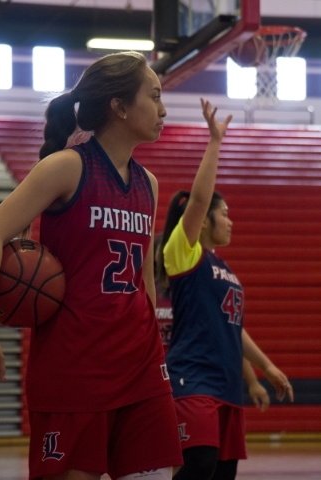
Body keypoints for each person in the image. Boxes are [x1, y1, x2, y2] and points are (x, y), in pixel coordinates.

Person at [0, 51, 183, 480]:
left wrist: (157, 340)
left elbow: (142, 279)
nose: (163, 109)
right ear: (119, 106)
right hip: (75, 366)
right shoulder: (67, 167)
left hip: (140, 363)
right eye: (154, 96)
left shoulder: (149, 184)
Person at [156, 99, 294, 480]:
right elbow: (199, 199)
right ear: (202, 223)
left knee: (221, 475)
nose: (231, 221)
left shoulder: (225, 269)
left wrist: (265, 367)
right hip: (193, 379)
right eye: (225, 213)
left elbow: (234, 329)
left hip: (228, 387)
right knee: (197, 467)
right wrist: (215, 142)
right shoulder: (183, 253)